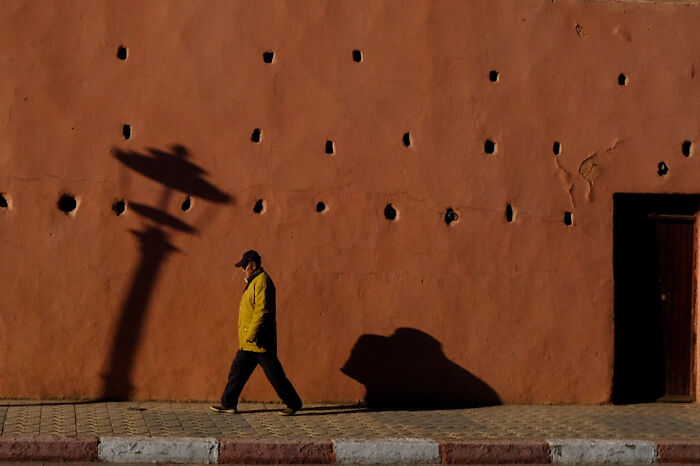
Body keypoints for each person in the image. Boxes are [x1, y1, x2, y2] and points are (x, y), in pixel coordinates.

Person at [211, 250, 303, 416]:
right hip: (249, 342)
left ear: (252, 266)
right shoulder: (254, 281)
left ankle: (293, 403)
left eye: (244, 266)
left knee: (274, 375)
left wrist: (252, 334)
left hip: (259, 340)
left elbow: (262, 312)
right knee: (237, 372)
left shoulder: (262, 283)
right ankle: (228, 403)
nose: (243, 269)